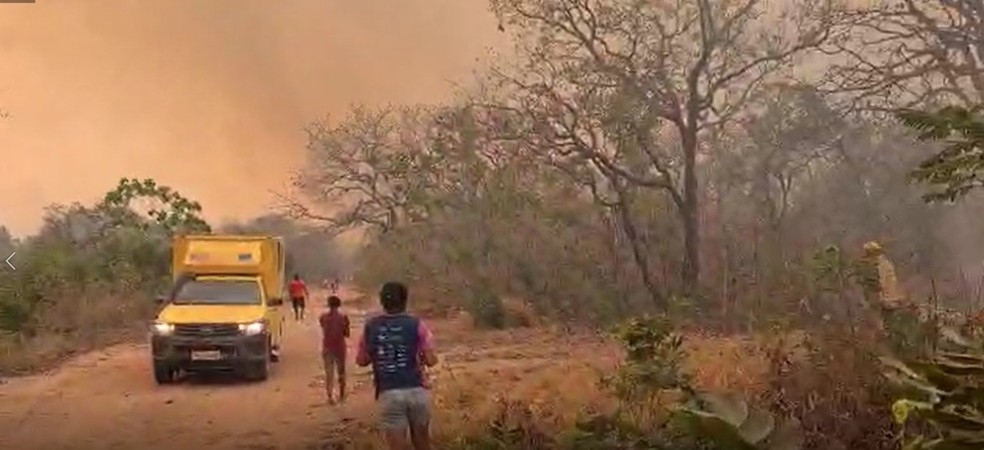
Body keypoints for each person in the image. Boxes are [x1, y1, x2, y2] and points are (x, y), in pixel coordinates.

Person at [356, 281, 438, 450]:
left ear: (382, 301)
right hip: (416, 390)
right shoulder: (417, 324)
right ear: (405, 300)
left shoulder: (371, 326)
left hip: (389, 393)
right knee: (423, 444)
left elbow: (361, 361)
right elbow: (431, 360)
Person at [319, 295, 350, 404]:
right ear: (339, 305)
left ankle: (330, 396)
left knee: (329, 373)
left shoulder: (323, 317)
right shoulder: (343, 318)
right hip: (340, 347)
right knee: (341, 372)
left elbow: (323, 327)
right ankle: (342, 395)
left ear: (329, 304)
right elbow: (347, 334)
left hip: (327, 347)